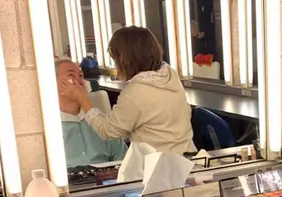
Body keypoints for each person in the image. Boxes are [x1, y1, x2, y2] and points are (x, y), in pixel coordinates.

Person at [59, 26, 196, 155]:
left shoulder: (135, 92)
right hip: (188, 157)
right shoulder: (170, 75)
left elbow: (108, 130)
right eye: (71, 76)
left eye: (116, 60)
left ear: (125, 60)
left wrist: (82, 98)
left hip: (159, 163)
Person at [55, 59, 127, 167]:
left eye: (80, 76)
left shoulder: (99, 121)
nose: (79, 81)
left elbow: (123, 158)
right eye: (71, 76)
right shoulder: (50, 128)